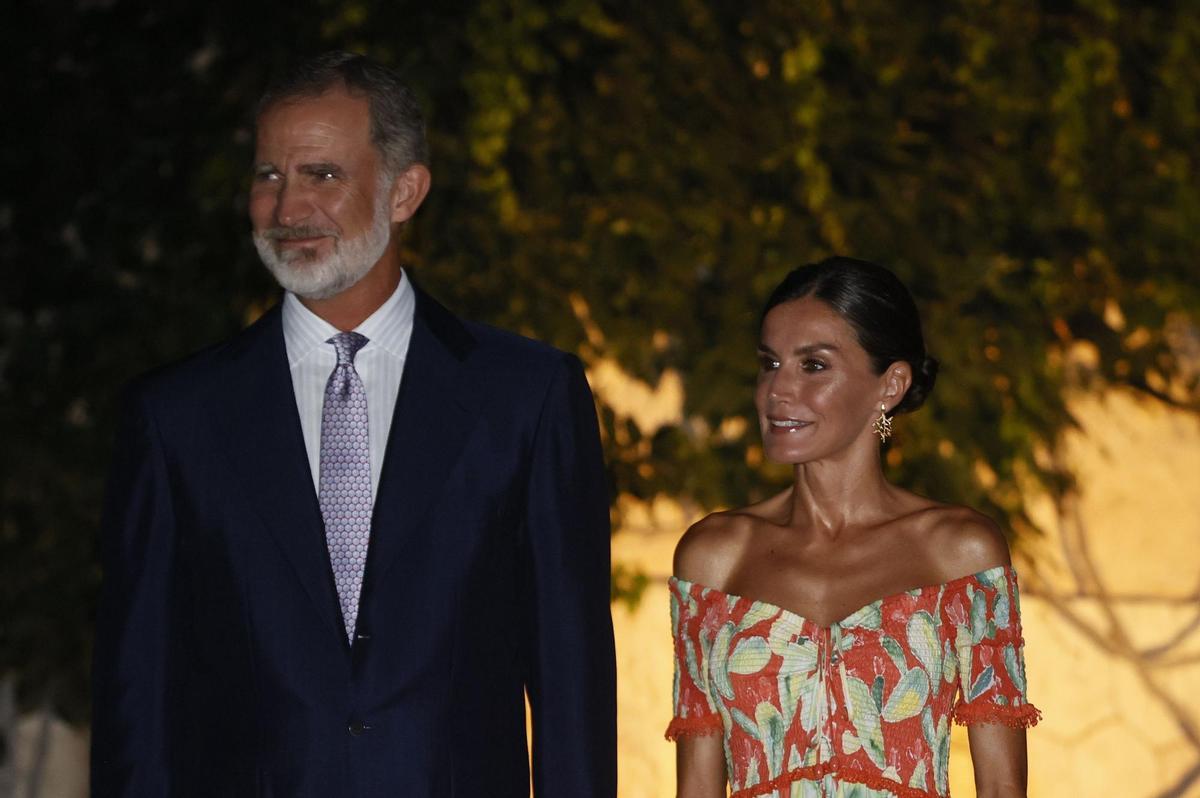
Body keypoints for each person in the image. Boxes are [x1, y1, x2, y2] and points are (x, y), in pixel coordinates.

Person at [91, 51, 616, 798]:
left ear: (405, 191)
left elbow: (571, 679)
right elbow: (135, 693)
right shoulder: (176, 415)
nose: (286, 207)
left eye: (322, 175)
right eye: (268, 175)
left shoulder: (527, 396)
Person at [667, 257, 1040, 798]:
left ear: (889, 385)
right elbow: (697, 787)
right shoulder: (713, 557)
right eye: (769, 363)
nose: (777, 390)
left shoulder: (961, 552)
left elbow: (1003, 791)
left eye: (812, 366)